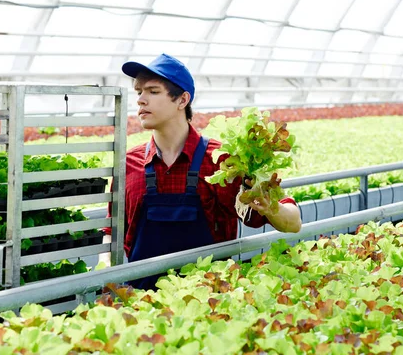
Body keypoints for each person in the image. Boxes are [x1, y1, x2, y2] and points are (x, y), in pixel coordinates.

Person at [107, 53, 301, 289]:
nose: (141, 100)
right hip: (141, 305)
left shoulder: (223, 162)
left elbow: (292, 223)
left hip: (209, 305)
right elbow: (111, 233)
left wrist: (271, 207)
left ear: (182, 100)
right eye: (139, 92)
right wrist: (105, 274)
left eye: (153, 91)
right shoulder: (129, 164)